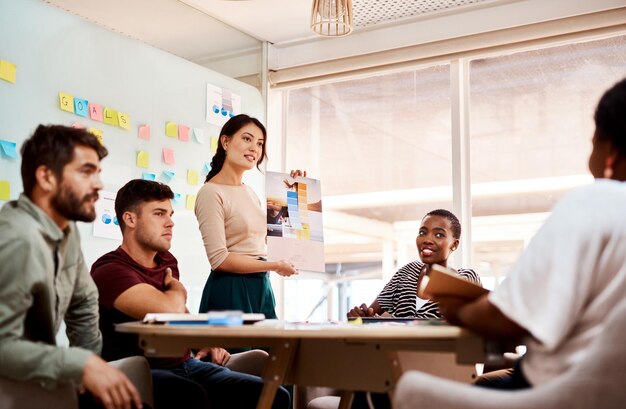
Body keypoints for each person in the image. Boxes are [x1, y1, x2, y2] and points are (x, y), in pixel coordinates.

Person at [435, 77, 626, 390]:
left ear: (610, 154)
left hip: (554, 391)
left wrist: (457, 309)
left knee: (395, 391)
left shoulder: (596, 201)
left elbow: (506, 322)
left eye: (592, 142)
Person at [91, 179, 290, 409]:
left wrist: (199, 343)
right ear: (130, 219)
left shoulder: (166, 260)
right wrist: (177, 290)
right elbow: (168, 309)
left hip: (186, 364)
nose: (170, 223)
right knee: (191, 395)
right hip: (137, 370)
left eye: (170, 214)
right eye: (159, 214)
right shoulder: (110, 271)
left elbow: (177, 317)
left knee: (275, 395)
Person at [0, 125, 142, 409]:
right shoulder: (19, 240)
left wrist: (86, 376)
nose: (99, 184)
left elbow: (84, 302)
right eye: (86, 172)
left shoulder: (66, 231)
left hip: (38, 383)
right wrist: (81, 364)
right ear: (46, 177)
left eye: (98, 172)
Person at [194, 114, 299, 318]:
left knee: (269, 350)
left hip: (260, 286)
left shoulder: (249, 192)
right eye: (247, 139)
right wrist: (274, 265)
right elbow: (219, 260)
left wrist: (293, 192)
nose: (255, 149)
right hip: (230, 290)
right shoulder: (211, 192)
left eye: (260, 144)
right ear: (225, 141)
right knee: (236, 351)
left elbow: (275, 236)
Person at [347, 209, 480, 319]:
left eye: (439, 235)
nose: (427, 239)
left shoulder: (465, 278)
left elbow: (474, 329)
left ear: (454, 245)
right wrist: (359, 318)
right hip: (397, 350)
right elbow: (369, 315)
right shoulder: (406, 273)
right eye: (422, 232)